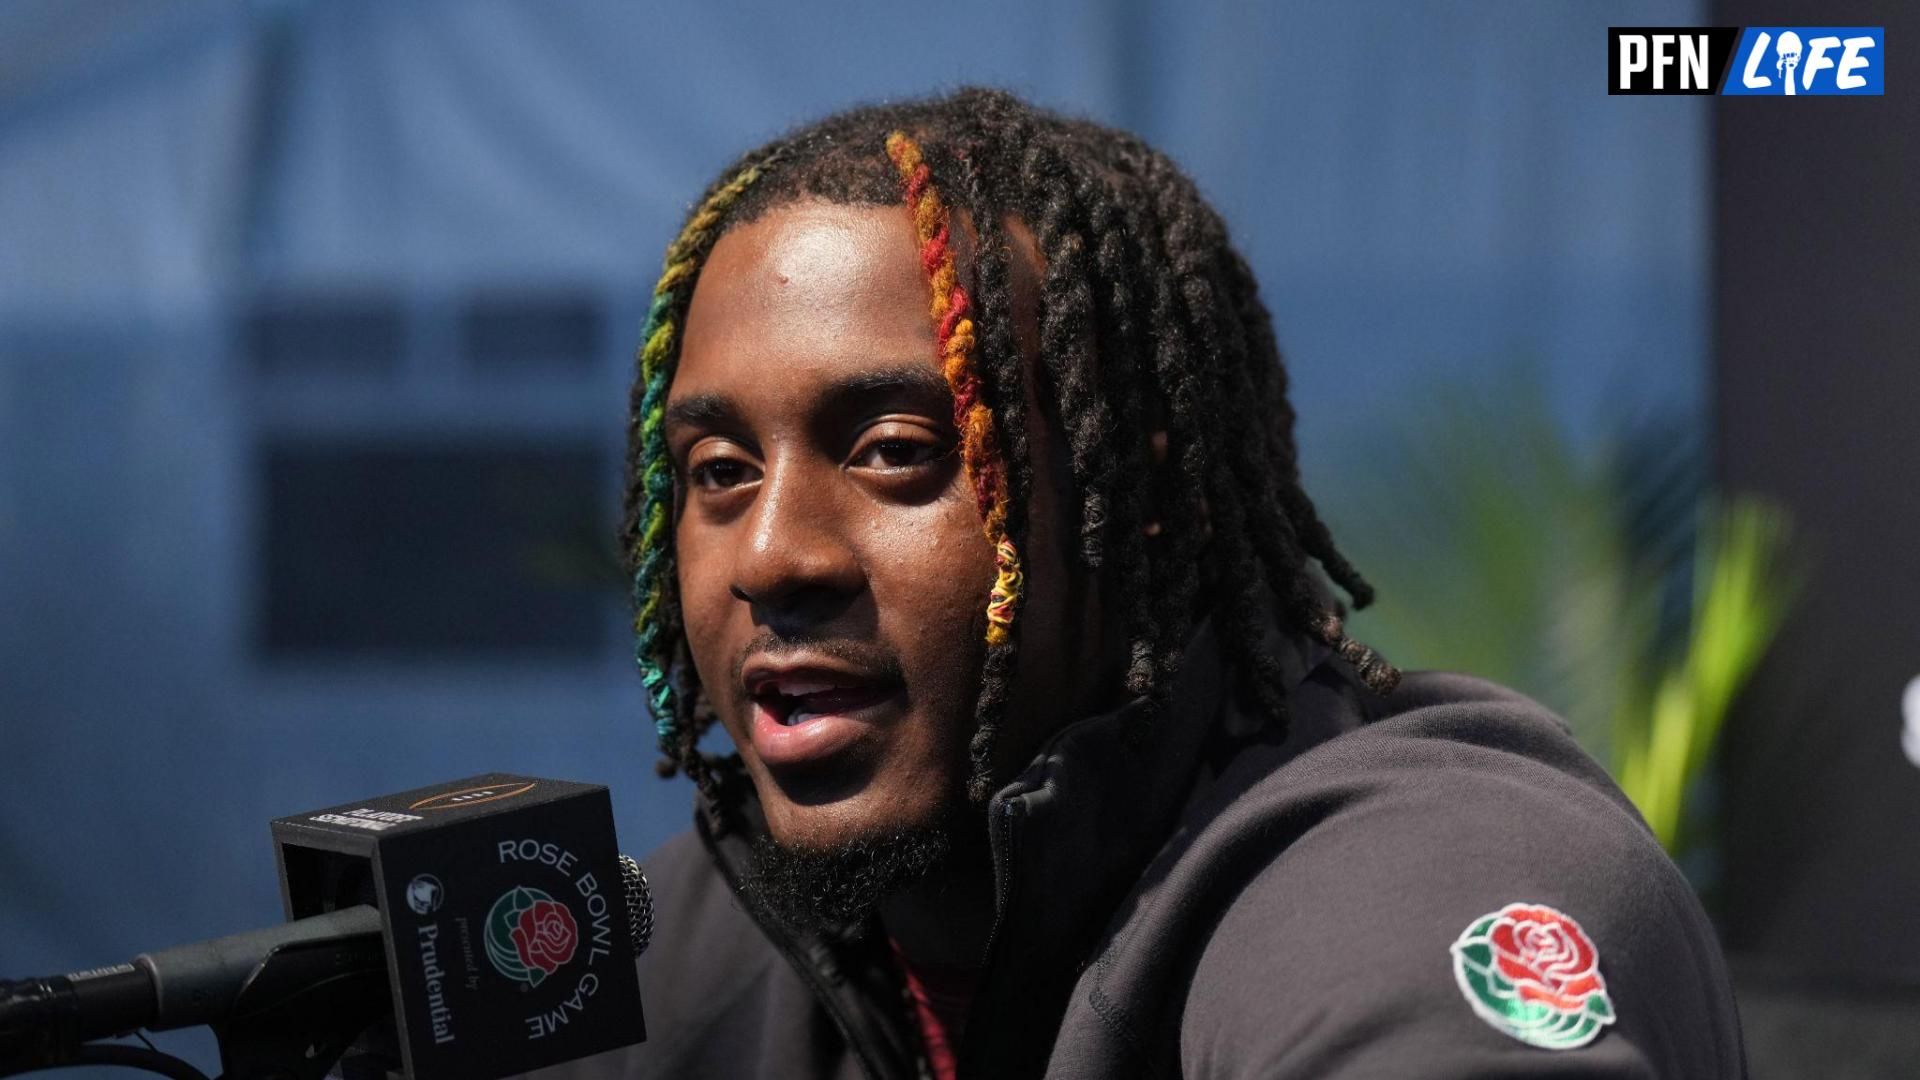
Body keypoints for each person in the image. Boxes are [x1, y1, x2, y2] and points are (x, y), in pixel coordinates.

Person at [547, 88, 1745, 1078]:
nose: (770, 556)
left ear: (1139, 495)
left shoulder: (1415, 869)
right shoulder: (692, 935)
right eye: (718, 472)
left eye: (897, 454)